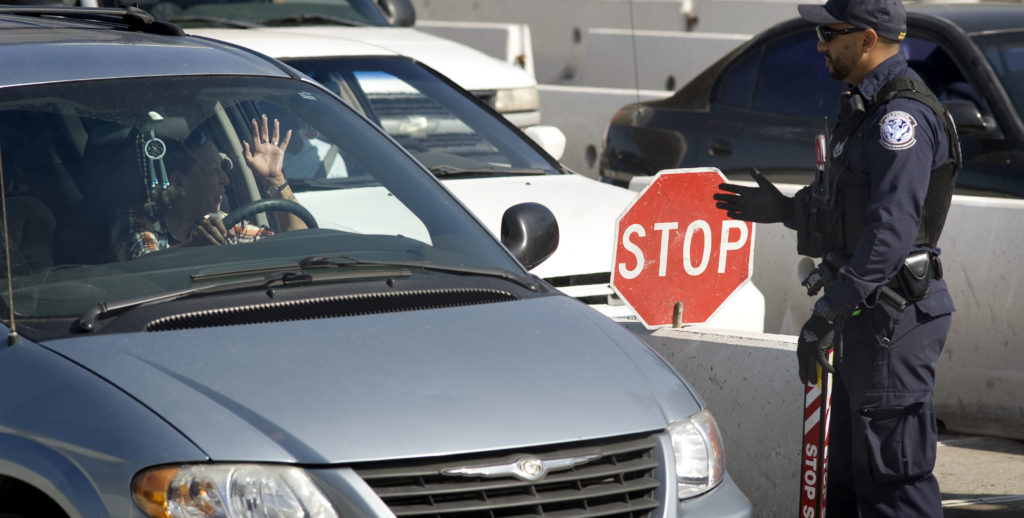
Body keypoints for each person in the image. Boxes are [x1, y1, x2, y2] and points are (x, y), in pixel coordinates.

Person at [713, 0, 961, 516]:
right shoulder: (865, 107)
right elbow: (847, 208)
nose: (820, 44)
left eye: (830, 32)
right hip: (866, 317)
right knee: (848, 482)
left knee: (893, 484)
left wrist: (831, 310)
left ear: (867, 39)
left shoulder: (901, 119)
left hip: (893, 320)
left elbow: (890, 234)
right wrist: (784, 209)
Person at [120, 115, 308, 259]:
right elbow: (145, 268)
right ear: (179, 182)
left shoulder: (221, 223)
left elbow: (299, 245)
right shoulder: (138, 221)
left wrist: (274, 179)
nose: (225, 180)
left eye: (223, 168)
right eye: (213, 169)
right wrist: (195, 247)